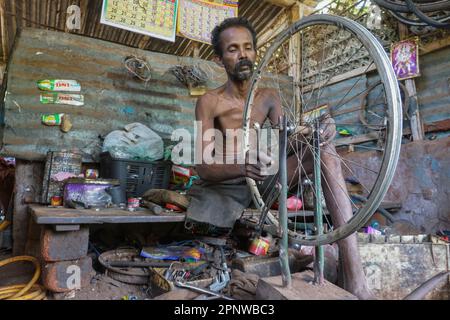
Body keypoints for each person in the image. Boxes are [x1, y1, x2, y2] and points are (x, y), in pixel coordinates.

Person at [184, 17, 374, 300]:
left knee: (324, 148)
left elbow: (291, 140)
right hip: (226, 185)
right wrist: (242, 166)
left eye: (248, 47)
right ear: (219, 59)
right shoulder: (209, 102)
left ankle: (356, 280)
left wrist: (317, 131)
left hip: (266, 180)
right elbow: (203, 167)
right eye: (233, 49)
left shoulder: (269, 97)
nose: (243, 54)